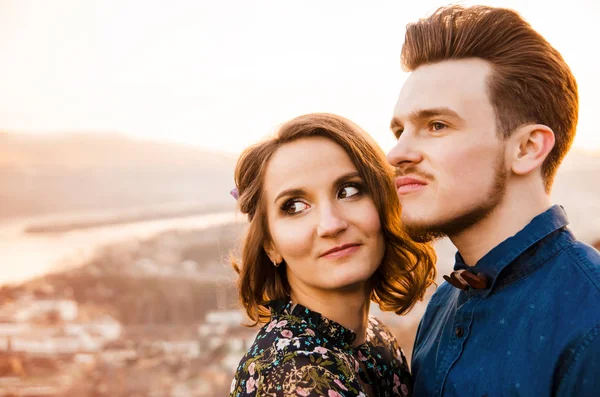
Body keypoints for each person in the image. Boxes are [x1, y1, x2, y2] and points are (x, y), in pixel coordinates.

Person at [386, 4, 600, 396]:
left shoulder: (590, 324)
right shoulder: (443, 304)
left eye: (436, 125)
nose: (396, 153)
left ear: (527, 148)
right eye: (400, 129)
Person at [228, 113, 436, 396]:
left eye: (349, 190)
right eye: (295, 206)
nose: (331, 225)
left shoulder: (375, 339)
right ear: (270, 245)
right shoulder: (293, 373)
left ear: (384, 201)